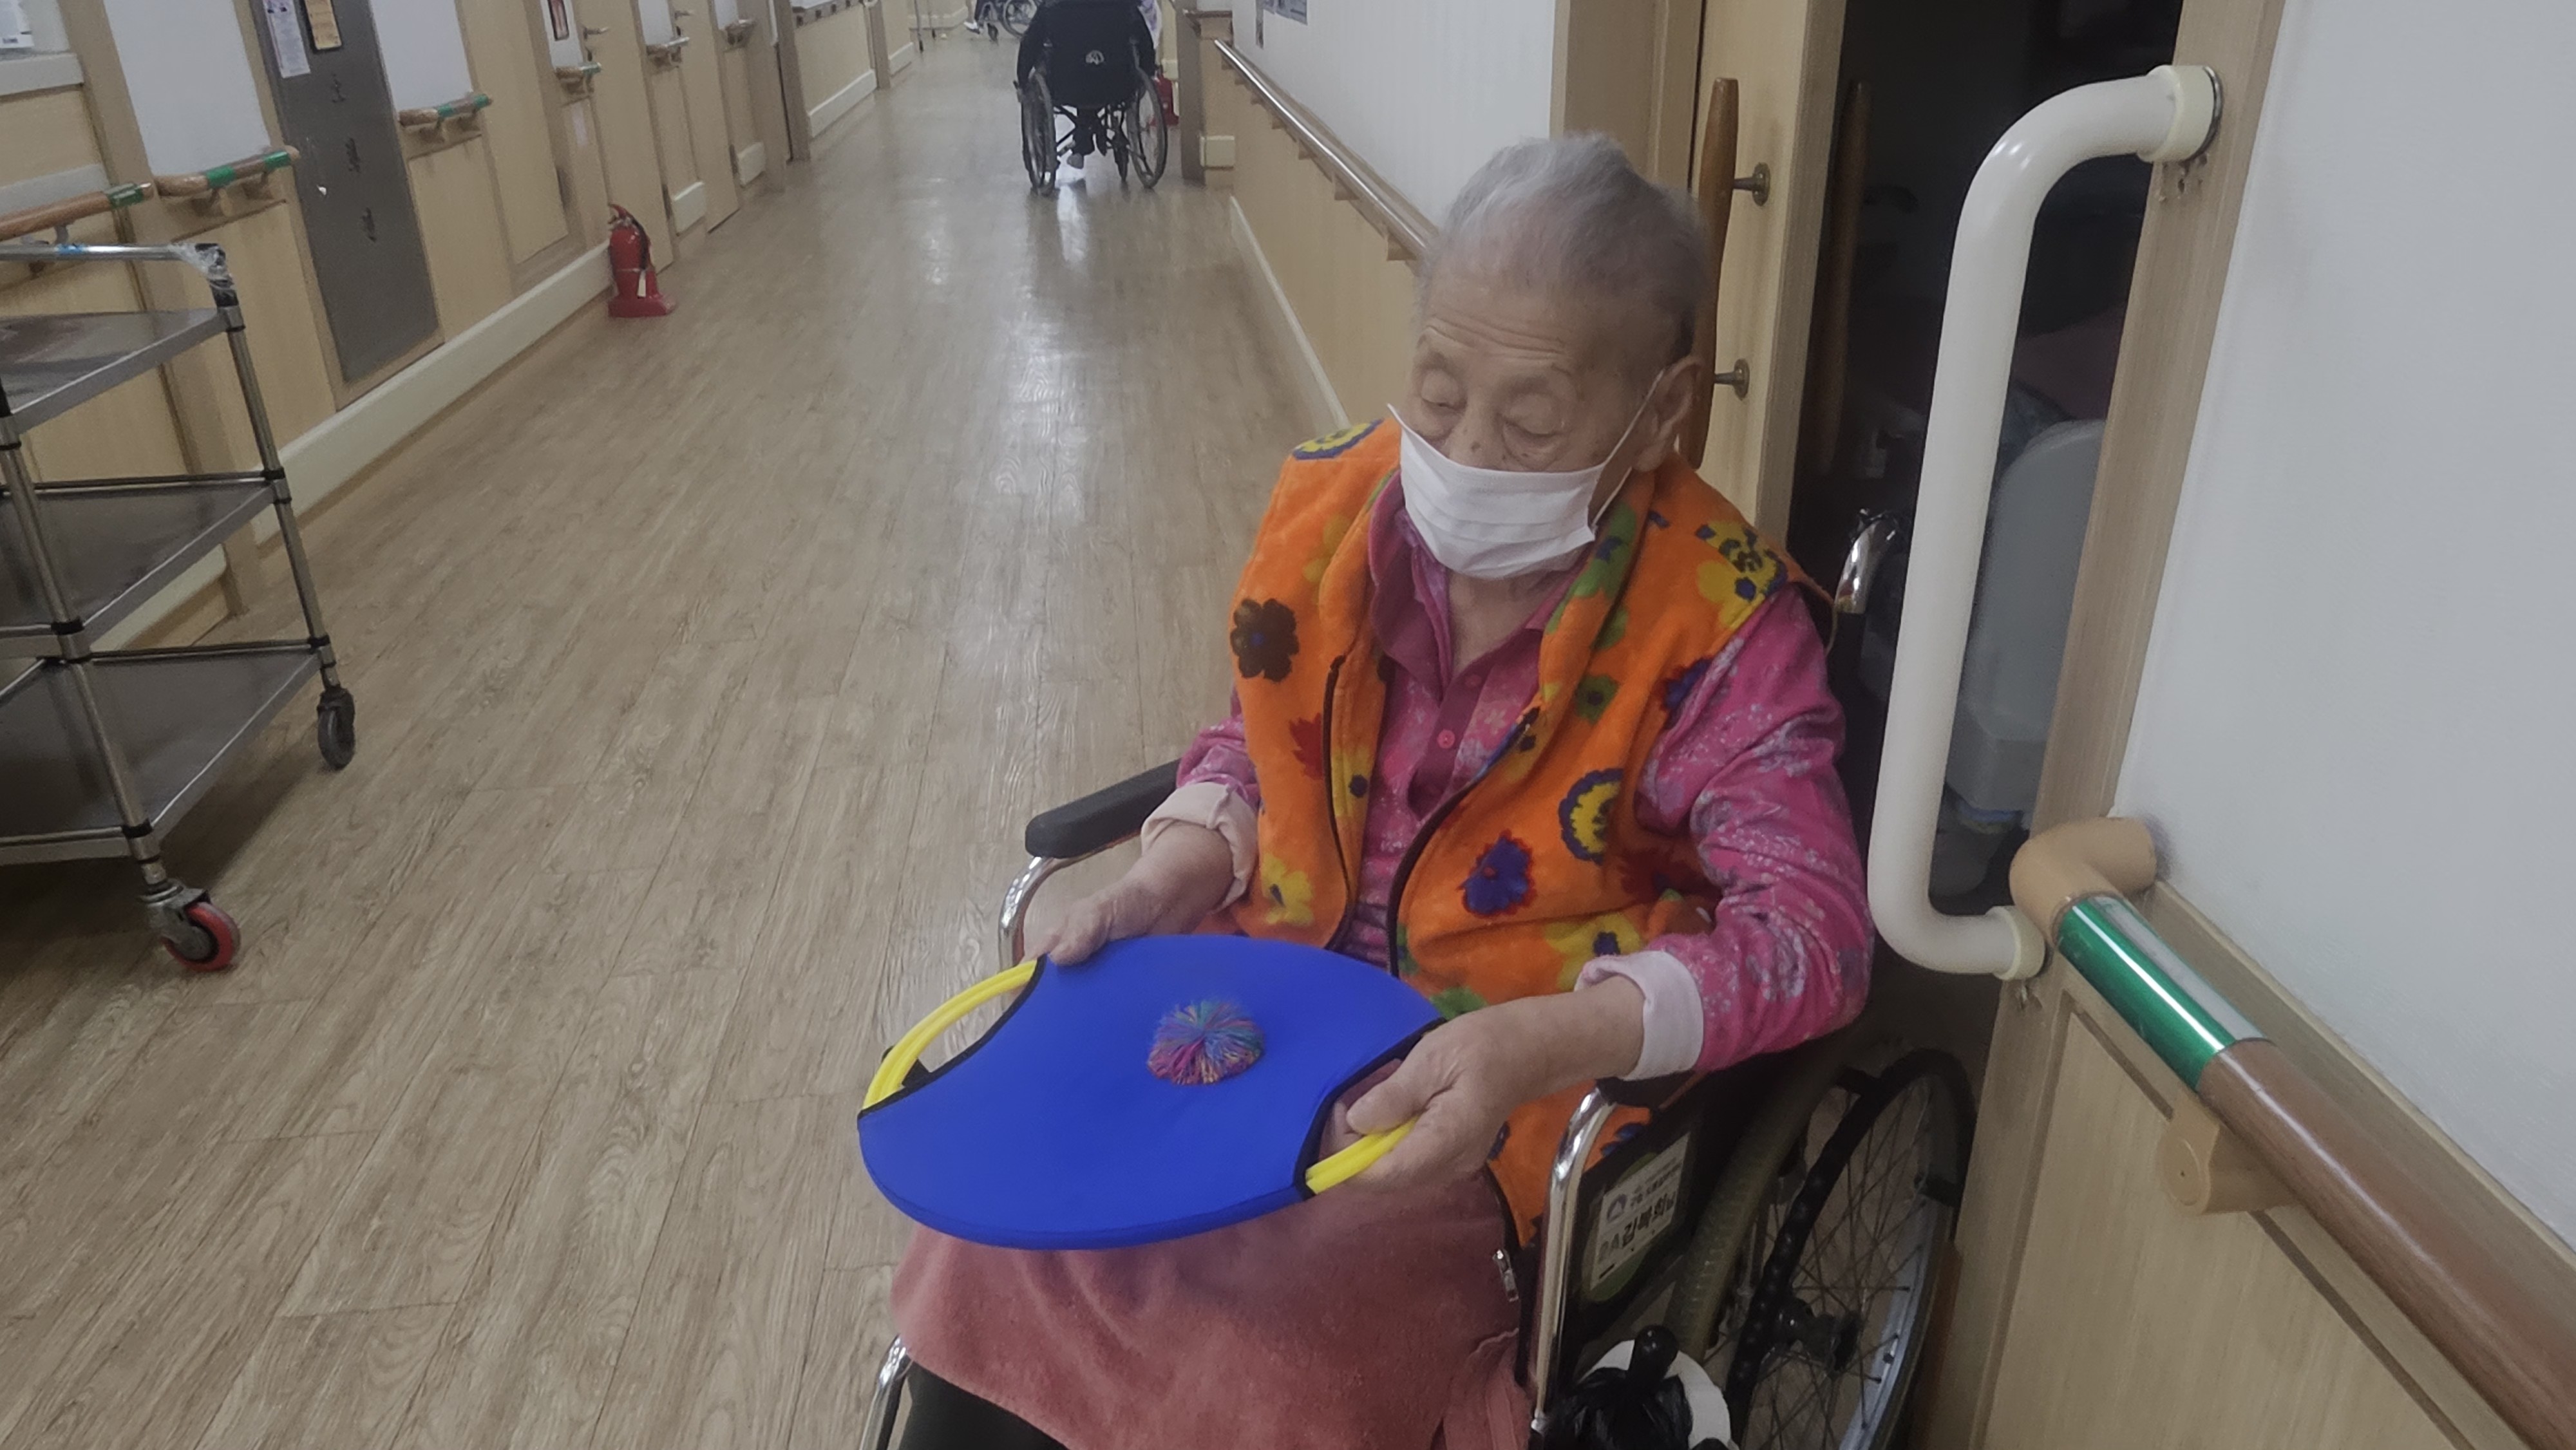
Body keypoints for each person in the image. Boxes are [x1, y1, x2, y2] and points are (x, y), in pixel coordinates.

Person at [889, 135, 1871, 1450]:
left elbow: (1815, 940)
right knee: (995, 1241)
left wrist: (1556, 1039)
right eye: (1439, 390)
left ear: (1660, 411)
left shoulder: (1724, 625)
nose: (1466, 449)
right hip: (1251, 1017)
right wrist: (1181, 861)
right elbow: (1256, 739)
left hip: (1485, 1094)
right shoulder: (1337, 513)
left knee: (1272, 1367)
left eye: (1530, 420)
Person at [1014, 0, 1158, 161]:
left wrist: (1022, 81)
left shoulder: (1052, 6)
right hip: (1118, 84)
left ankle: (1080, 139)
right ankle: (1084, 135)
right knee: (1096, 73)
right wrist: (1148, 72)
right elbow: (1144, 41)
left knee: (1069, 68)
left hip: (1066, 86)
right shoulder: (1125, 5)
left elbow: (1030, 44)